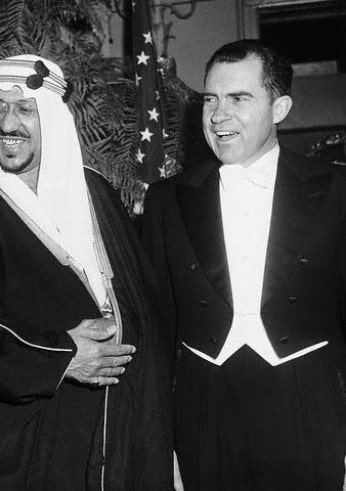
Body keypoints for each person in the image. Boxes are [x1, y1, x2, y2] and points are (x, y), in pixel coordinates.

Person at [0, 54, 171, 490]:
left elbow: (143, 298)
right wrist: (59, 358)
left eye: (25, 110)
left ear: (53, 120)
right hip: (32, 431)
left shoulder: (96, 191)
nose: (8, 124)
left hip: (118, 421)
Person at [143, 38, 346, 491]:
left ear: (280, 108)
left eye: (239, 98)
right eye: (210, 99)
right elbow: (156, 332)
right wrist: (163, 444)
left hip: (309, 405)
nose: (218, 116)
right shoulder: (166, 200)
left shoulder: (336, 190)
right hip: (203, 409)